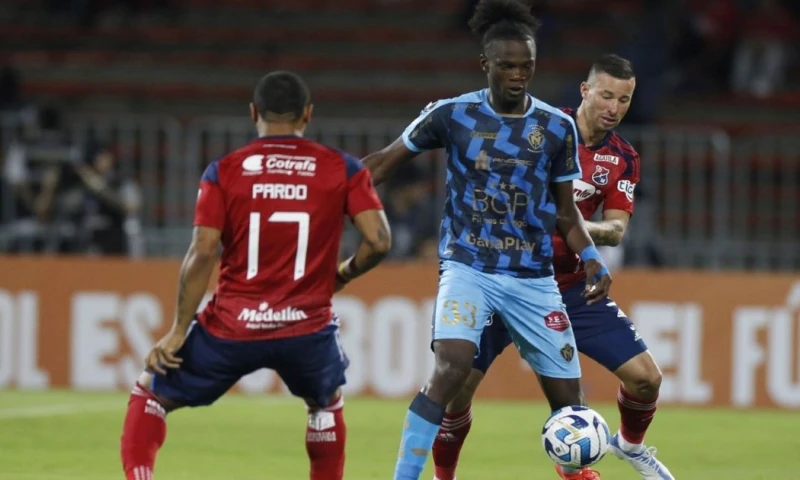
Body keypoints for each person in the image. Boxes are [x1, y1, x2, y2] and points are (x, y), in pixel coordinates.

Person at [362, 1, 612, 478]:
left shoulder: (556, 127)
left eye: (527, 66)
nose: (519, 75)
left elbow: (566, 211)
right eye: (508, 66)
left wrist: (592, 259)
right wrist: (334, 193)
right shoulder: (452, 115)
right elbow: (383, 161)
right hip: (468, 267)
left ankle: (575, 471)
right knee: (451, 368)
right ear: (486, 65)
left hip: (533, 277)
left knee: (571, 406)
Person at [119, 71, 391, 480]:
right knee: (325, 405)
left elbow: (202, 252)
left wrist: (177, 330)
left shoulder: (224, 171)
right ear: (308, 115)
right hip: (306, 328)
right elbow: (379, 241)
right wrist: (343, 274)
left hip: (233, 326)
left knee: (150, 391)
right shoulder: (342, 168)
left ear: (253, 113)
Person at [430, 55, 675, 480]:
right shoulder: (538, 129)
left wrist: (569, 223)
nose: (613, 108)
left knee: (646, 380)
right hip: (500, 276)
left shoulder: (622, 158)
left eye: (624, 99)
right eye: (605, 95)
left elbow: (616, 231)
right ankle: (442, 476)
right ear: (585, 91)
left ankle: (627, 447)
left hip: (569, 286)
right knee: (456, 394)